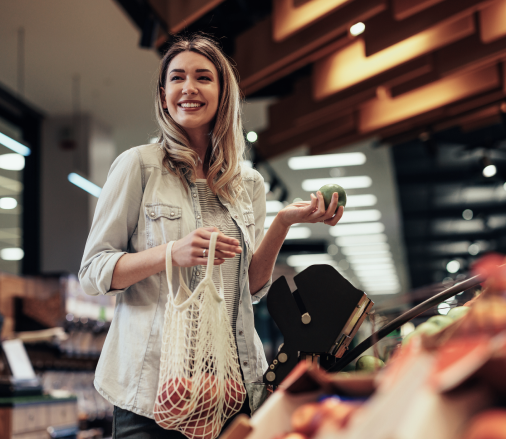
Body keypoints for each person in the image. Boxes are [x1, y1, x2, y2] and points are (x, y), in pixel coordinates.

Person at [79, 34, 344, 438]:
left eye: (203, 77)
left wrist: (283, 222)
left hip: (230, 387)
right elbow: (94, 271)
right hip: (154, 392)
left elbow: (251, 286)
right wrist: (172, 252)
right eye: (177, 77)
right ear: (163, 93)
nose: (189, 88)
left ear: (223, 93)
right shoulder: (139, 167)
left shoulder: (248, 183)